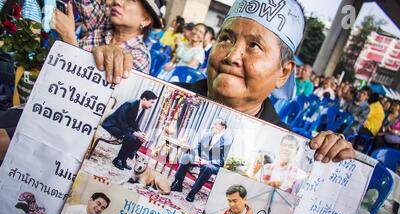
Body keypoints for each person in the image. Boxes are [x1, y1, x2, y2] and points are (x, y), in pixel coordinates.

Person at [91, 0, 356, 165]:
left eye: (254, 45)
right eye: (226, 39)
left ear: (283, 73)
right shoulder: (160, 100)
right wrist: (103, 74)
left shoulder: (289, 150)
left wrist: (331, 159)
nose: (231, 56)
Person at [51, 0, 163, 76]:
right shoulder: (103, 23)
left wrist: (69, 39)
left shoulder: (139, 57)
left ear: (146, 20)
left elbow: (89, 98)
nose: (118, 2)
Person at [171, 118, 230, 202]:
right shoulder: (207, 135)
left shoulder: (226, 142)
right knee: (186, 157)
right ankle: (178, 184)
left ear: (223, 127)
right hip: (200, 159)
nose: (213, 125)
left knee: (207, 168)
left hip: (212, 164)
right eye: (214, 123)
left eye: (216, 124)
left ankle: (193, 192)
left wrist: (207, 162)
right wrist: (196, 156)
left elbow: (221, 162)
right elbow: (197, 147)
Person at [102, 90, 158, 171]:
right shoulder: (130, 104)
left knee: (140, 138)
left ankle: (124, 159)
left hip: (121, 126)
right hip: (112, 125)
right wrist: (135, 133)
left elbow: (133, 122)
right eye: (151, 102)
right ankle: (117, 160)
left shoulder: (141, 107)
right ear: (144, 99)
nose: (152, 105)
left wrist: (140, 132)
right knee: (130, 137)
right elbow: (122, 122)